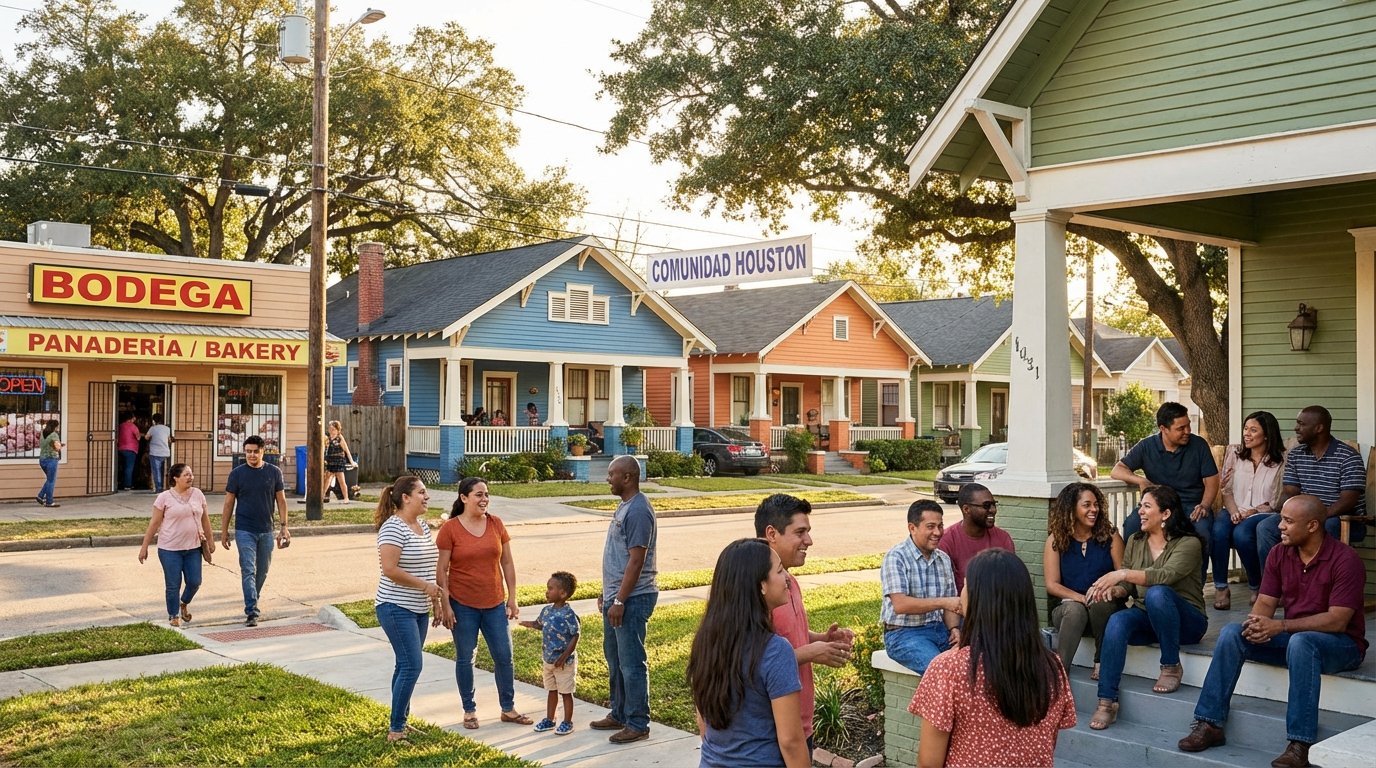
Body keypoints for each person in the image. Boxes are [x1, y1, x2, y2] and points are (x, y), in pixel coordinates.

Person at [1177, 494, 1367, 768]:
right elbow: (1265, 601)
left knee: (1302, 643)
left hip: (1342, 645)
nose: (1279, 527)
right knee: (1232, 633)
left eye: (1288, 521)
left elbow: (1337, 620)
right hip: (1294, 640)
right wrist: (1257, 625)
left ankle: (1300, 743)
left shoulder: (1345, 559)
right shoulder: (1280, 553)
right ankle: (1209, 724)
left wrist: (1280, 626)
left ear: (1312, 526)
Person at [910, 549, 1076, 768]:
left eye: (966, 586)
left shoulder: (948, 669)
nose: (961, 593)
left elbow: (929, 763)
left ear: (980, 598)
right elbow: (1046, 744)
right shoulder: (1052, 667)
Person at [1087, 485, 1206, 730]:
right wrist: (1116, 589)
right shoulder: (1135, 540)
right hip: (1149, 616)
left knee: (1158, 593)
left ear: (1166, 514)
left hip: (1187, 621)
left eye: (1147, 506)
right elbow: (1129, 588)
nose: (1140, 511)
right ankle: (1107, 700)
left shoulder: (1189, 543)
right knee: (1118, 621)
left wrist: (1122, 573)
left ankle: (1171, 666)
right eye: (1140, 506)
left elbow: (1164, 575)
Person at [689, 538, 810, 768]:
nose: (787, 579)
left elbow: (703, 723)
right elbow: (791, 742)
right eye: (780, 570)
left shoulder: (706, 642)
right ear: (761, 585)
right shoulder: (775, 652)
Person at [755, 493, 855, 749]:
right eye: (800, 532)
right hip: (775, 729)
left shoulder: (789, 581)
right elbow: (753, 660)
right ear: (771, 533)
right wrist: (812, 652)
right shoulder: (757, 591)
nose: (808, 541)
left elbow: (784, 634)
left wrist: (821, 639)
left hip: (802, 723)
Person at [435, 476, 529, 729]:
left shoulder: (496, 524)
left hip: (495, 603)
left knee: (505, 657)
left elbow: (507, 562)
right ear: (464, 498)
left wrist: (513, 597)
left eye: (486, 494)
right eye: (478, 494)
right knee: (465, 658)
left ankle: (508, 709)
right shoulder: (450, 529)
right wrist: (446, 604)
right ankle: (469, 710)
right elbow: (441, 570)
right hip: (462, 604)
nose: (484, 499)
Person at [592, 455, 659, 744]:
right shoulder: (625, 507)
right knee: (616, 659)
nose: (608, 479)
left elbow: (636, 560)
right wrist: (607, 594)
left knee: (631, 663)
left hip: (633, 598)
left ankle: (637, 722)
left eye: (612, 474)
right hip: (617, 597)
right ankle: (619, 712)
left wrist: (619, 600)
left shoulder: (639, 511)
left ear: (628, 477)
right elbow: (618, 557)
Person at [372, 475, 444, 743]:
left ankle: (400, 720)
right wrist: (426, 588)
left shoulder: (422, 526)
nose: (427, 497)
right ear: (405, 497)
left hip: (418, 608)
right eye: (422, 493)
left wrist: (434, 601)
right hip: (394, 605)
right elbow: (390, 570)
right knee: (412, 665)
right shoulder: (392, 528)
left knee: (404, 666)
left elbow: (428, 567)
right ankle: (396, 729)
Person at [1256, 405, 1367, 568]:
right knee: (1265, 527)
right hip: (1303, 518)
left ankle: (1319, 584)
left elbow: (1348, 501)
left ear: (1319, 428)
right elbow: (1291, 493)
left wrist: (1317, 518)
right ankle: (1275, 586)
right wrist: (1287, 515)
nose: (1296, 428)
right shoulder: (1296, 455)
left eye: (1301, 424)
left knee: (1327, 526)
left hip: (1342, 520)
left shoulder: (1348, 457)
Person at [1111, 401, 1219, 552]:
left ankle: (1197, 576)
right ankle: (1134, 572)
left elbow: (1212, 480)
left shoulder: (1199, 445)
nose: (1187, 431)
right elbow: (1117, 470)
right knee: (1132, 524)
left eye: (1188, 425)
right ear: (1163, 429)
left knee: (1202, 531)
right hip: (1158, 505)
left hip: (1191, 506)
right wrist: (1141, 480)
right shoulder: (1147, 446)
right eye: (1181, 428)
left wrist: (1205, 505)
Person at [1043, 482, 1125, 679]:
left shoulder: (1111, 536)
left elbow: (1124, 577)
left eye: (1096, 504)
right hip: (1070, 612)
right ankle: (1061, 673)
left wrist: (1115, 591)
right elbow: (1052, 584)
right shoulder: (1056, 540)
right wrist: (1080, 598)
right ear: (1071, 509)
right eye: (1087, 505)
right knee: (1075, 609)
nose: (1094, 510)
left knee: (1099, 600)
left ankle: (1100, 659)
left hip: (1105, 611)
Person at [881, 499, 960, 676]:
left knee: (976, 665)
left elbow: (951, 605)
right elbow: (901, 605)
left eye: (940, 526)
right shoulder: (896, 557)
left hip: (940, 630)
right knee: (942, 673)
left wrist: (954, 630)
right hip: (903, 635)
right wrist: (943, 603)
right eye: (931, 526)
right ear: (912, 528)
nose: (938, 532)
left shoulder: (943, 559)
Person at [1217, 410, 1286, 609]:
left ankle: (1256, 586)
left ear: (1266, 435)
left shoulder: (1280, 461)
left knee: (1242, 534)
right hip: (1233, 508)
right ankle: (1221, 587)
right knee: (1219, 531)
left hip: (1262, 513)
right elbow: (1226, 490)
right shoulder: (1235, 455)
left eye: (1253, 430)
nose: (1247, 434)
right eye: (1246, 429)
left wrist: (1251, 512)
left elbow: (1276, 499)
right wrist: (1234, 511)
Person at [219, 434, 290, 627]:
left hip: (267, 530)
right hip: (244, 529)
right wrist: (224, 531)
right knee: (248, 569)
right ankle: (251, 611)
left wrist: (284, 527)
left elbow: (281, 501)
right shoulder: (237, 474)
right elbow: (228, 504)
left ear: (263, 452)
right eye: (248, 451)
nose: (251, 455)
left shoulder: (274, 472)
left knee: (262, 571)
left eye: (255, 452)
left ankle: (253, 599)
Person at [138, 463, 213, 627]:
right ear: (175, 478)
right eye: (186, 475)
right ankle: (173, 615)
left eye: (191, 474)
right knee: (173, 584)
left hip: (193, 548)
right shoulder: (164, 498)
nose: (190, 477)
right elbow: (154, 523)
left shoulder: (198, 494)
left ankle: (183, 603)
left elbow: (205, 520)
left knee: (195, 581)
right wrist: (144, 547)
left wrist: (210, 540)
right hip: (169, 549)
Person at [520, 571, 581, 737]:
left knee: (566, 692)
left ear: (563, 593)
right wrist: (530, 624)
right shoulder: (546, 610)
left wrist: (565, 656)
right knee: (551, 690)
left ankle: (567, 722)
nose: (547, 591)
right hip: (548, 660)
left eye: (550, 588)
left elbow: (575, 635)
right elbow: (540, 624)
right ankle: (550, 719)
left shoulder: (569, 614)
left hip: (564, 663)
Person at [938, 482, 1014, 592]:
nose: (993, 510)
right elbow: (945, 590)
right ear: (966, 509)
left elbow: (1011, 583)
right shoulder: (947, 541)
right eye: (986, 505)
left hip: (998, 605)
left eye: (994, 504)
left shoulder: (1003, 538)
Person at [323, 420, 356, 503]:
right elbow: (324, 450)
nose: (331, 431)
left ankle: (346, 498)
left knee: (341, 480)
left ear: (337, 430)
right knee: (327, 479)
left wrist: (352, 461)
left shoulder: (339, 438)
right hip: (330, 461)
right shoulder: (327, 439)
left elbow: (346, 450)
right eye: (330, 429)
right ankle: (322, 496)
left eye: (333, 429)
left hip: (339, 461)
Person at [36, 419, 62, 508]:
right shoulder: (54, 435)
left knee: (49, 480)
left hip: (42, 459)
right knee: (51, 481)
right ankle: (49, 502)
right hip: (51, 460)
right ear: (55, 426)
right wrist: (60, 445)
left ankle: (40, 496)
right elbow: (57, 447)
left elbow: (42, 445)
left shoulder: (43, 434)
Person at [146, 413, 173, 494]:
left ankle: (159, 488)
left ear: (154, 420)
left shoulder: (152, 428)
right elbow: (169, 440)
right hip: (165, 452)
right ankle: (168, 487)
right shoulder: (167, 429)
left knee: (156, 471)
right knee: (165, 470)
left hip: (155, 452)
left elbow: (146, 437)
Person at [117, 411, 140, 490]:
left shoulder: (120, 425)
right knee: (129, 468)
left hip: (120, 449)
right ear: (131, 418)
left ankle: (121, 482)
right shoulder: (133, 426)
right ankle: (127, 485)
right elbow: (138, 437)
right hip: (131, 449)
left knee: (122, 467)